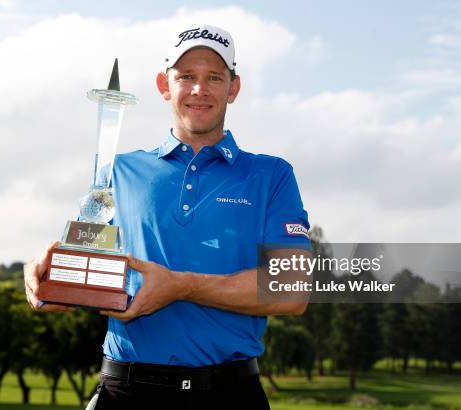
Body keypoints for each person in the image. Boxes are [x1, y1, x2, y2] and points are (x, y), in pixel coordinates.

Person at [24, 24, 312, 410]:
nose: (199, 89)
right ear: (164, 85)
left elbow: (291, 289)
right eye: (186, 77)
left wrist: (181, 285)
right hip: (126, 391)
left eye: (214, 77)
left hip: (229, 394)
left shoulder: (271, 175)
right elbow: (86, 261)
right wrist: (51, 276)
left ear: (233, 88)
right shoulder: (119, 171)